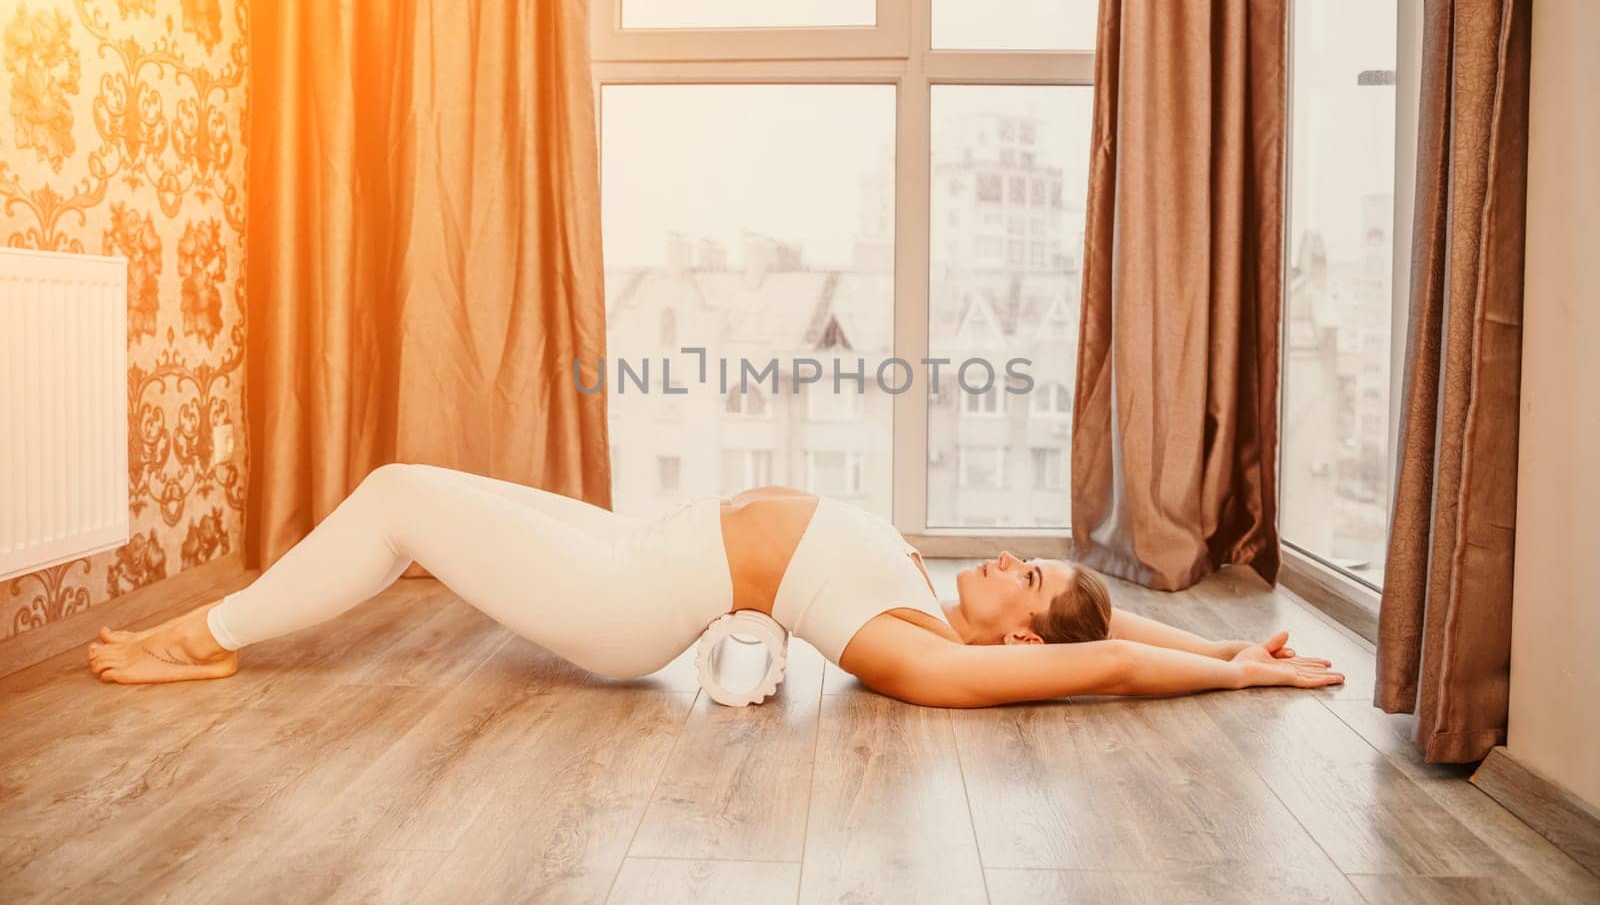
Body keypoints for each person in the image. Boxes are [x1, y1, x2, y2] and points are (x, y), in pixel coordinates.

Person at [86, 463, 1343, 703]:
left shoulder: (928, 652)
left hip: (627, 604)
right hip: (635, 542)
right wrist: (1222, 639)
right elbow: (1116, 621)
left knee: (399, 494)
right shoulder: (923, 582)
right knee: (410, 495)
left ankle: (207, 632)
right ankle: (216, 628)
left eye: (1032, 578)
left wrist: (1225, 677)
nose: (1015, 560)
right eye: (1033, 557)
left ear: (1021, 639)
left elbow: (1106, 654)